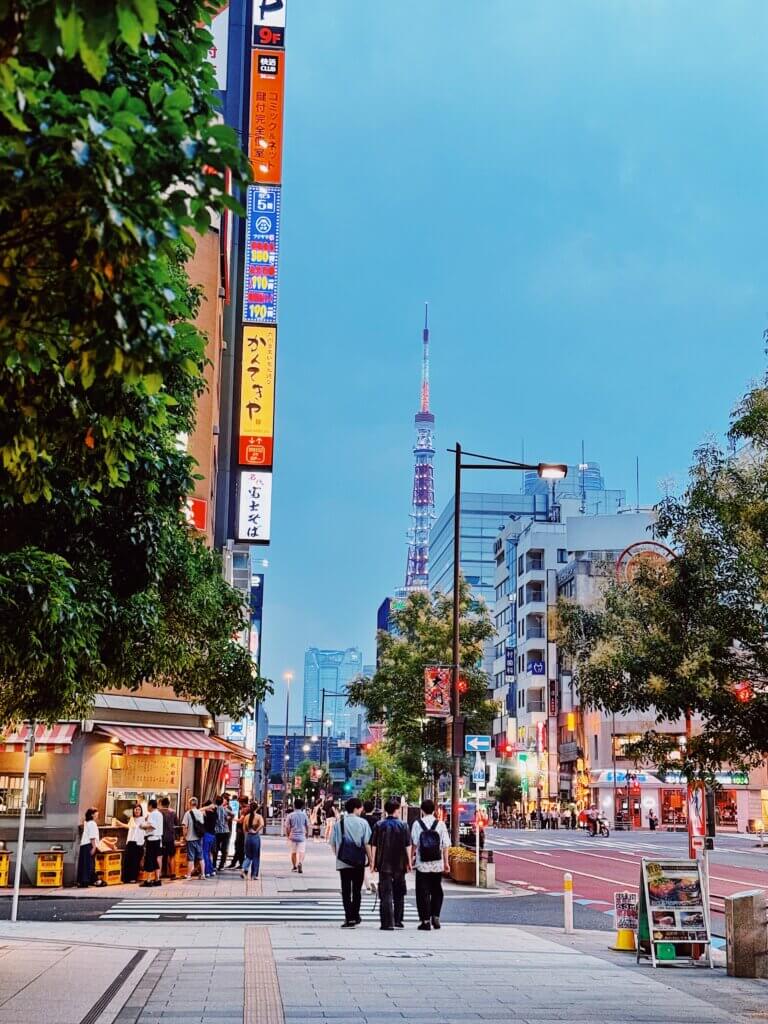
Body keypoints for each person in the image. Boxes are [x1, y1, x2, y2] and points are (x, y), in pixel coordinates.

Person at [329, 797, 372, 928]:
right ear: (355, 808)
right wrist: (371, 860)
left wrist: (339, 856)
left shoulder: (339, 824)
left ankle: (348, 917)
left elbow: (333, 844)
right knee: (357, 890)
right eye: (360, 808)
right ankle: (355, 915)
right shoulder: (363, 823)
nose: (361, 810)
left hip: (343, 862)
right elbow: (367, 843)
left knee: (346, 890)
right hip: (358, 861)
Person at [370, 797, 411, 930]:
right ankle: (398, 920)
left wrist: (373, 863)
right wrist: (409, 862)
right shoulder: (403, 825)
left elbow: (374, 845)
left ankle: (387, 922)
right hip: (399, 862)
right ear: (396, 810)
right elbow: (408, 845)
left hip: (384, 862)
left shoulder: (379, 825)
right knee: (399, 891)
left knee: (386, 892)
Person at [411, 798, 450, 931]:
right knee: (437, 891)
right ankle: (436, 916)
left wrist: (410, 860)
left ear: (422, 810)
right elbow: (445, 845)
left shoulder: (417, 824)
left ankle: (425, 921)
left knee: (423, 893)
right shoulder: (440, 824)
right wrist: (446, 863)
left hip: (422, 864)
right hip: (437, 864)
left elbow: (414, 844)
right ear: (434, 810)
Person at [116, 803, 146, 883]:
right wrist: (119, 823)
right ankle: (126, 878)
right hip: (130, 841)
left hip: (138, 842)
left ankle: (133, 878)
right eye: (136, 809)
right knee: (127, 861)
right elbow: (129, 826)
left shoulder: (143, 819)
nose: (137, 811)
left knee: (135, 861)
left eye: (139, 809)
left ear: (141, 811)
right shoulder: (132, 818)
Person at [140, 798, 165, 886]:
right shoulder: (160, 814)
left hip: (152, 839)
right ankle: (157, 879)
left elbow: (152, 826)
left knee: (149, 859)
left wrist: (142, 825)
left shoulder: (152, 814)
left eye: (147, 805)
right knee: (155, 860)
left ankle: (148, 880)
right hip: (158, 839)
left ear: (150, 806)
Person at [181, 797, 207, 880]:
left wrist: (184, 836)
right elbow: (202, 825)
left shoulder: (188, 813)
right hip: (199, 838)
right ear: (196, 804)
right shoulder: (200, 813)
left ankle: (188, 875)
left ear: (189, 804)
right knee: (201, 857)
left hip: (190, 838)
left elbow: (184, 827)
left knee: (191, 857)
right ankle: (203, 874)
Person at [285, 797, 310, 872]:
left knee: (293, 852)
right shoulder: (304, 815)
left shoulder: (290, 815)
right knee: (302, 851)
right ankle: (300, 862)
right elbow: (307, 825)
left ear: (294, 805)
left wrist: (288, 835)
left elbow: (287, 826)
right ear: (302, 806)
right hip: (301, 836)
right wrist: (307, 833)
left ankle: (294, 866)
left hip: (293, 836)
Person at [77, 808, 101, 887]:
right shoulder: (92, 823)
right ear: (92, 814)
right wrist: (94, 847)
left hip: (84, 845)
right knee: (88, 864)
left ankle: (82, 881)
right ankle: (86, 881)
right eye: (96, 813)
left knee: (84, 863)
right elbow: (92, 836)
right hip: (89, 845)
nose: (97, 815)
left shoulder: (87, 823)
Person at [241, 801, 265, 880]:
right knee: (255, 856)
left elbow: (244, 828)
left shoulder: (246, 816)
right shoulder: (258, 816)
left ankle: (244, 868)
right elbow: (262, 824)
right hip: (255, 837)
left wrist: (246, 836)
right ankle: (254, 875)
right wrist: (256, 830)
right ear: (256, 808)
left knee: (248, 856)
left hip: (248, 837)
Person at [159, 797, 179, 879]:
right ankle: (173, 874)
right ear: (169, 803)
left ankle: (160, 874)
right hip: (170, 837)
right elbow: (177, 823)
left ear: (161, 803)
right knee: (172, 856)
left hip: (161, 837)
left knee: (161, 856)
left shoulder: (158, 812)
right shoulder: (173, 812)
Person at [214, 795, 233, 872]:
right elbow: (232, 814)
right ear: (222, 802)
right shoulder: (225, 809)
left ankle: (214, 865)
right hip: (225, 831)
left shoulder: (213, 809)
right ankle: (221, 865)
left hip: (216, 832)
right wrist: (228, 819)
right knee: (224, 849)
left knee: (215, 849)